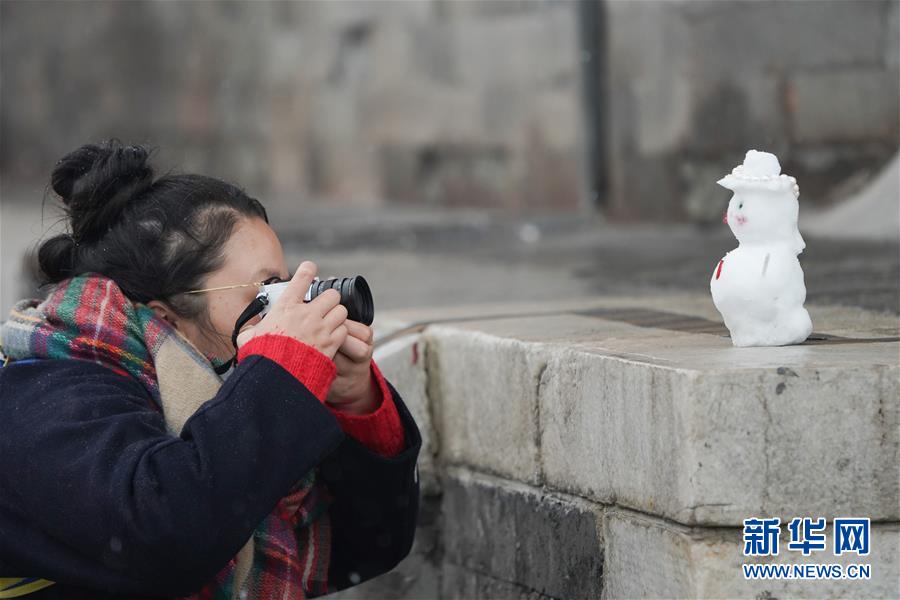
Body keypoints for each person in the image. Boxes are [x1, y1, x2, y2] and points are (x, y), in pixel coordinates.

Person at [0, 140, 421, 599]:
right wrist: (279, 374)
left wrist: (354, 401)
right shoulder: (42, 395)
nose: (288, 309)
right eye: (266, 291)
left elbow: (363, 549)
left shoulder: (223, 398)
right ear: (166, 317)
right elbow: (165, 536)